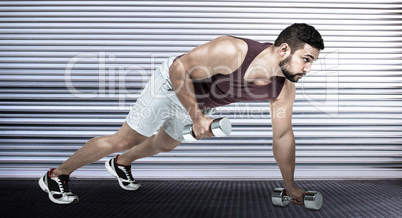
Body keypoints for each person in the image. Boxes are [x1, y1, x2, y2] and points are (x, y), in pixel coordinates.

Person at [39, 23, 325, 206]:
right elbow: (180, 69)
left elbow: (283, 136)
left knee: (164, 144)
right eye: (306, 59)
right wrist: (197, 116)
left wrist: (290, 186)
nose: (308, 69)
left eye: (312, 62)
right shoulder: (233, 51)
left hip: (201, 103)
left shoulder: (283, 88)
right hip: (172, 83)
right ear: (284, 49)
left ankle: (119, 164)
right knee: (126, 138)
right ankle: (57, 175)